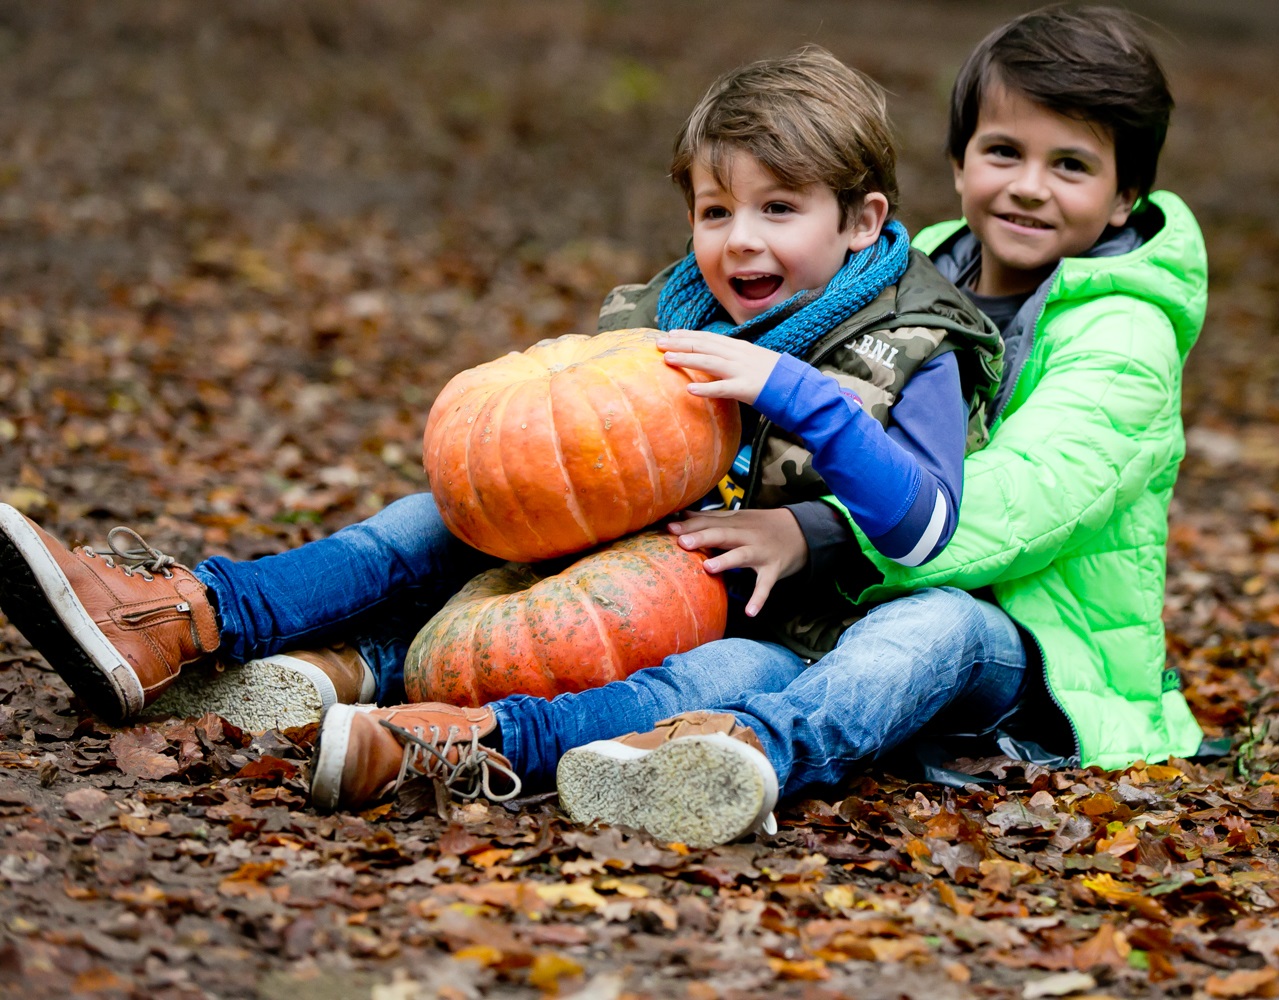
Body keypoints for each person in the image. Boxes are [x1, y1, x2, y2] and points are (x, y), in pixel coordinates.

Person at [0, 47, 1002, 844]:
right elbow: (596, 457)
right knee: (433, 522)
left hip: (788, 628)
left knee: (707, 685)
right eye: (715, 209)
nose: (742, 239)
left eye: (780, 209)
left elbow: (929, 524)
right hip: (634, 571)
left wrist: (797, 425)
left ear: (865, 221)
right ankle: (188, 616)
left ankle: (466, 742)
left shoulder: (919, 340)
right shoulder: (667, 316)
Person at [306, 4, 1213, 844]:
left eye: (1072, 166)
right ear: (961, 159)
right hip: (845, 603)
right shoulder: (915, 268)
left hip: (1033, 647)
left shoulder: (1125, 333)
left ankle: (752, 753)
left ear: (1126, 196)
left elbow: (1021, 503)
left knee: (931, 626)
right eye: (1004, 151)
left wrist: (811, 531)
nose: (1027, 188)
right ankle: (469, 727)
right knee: (720, 656)